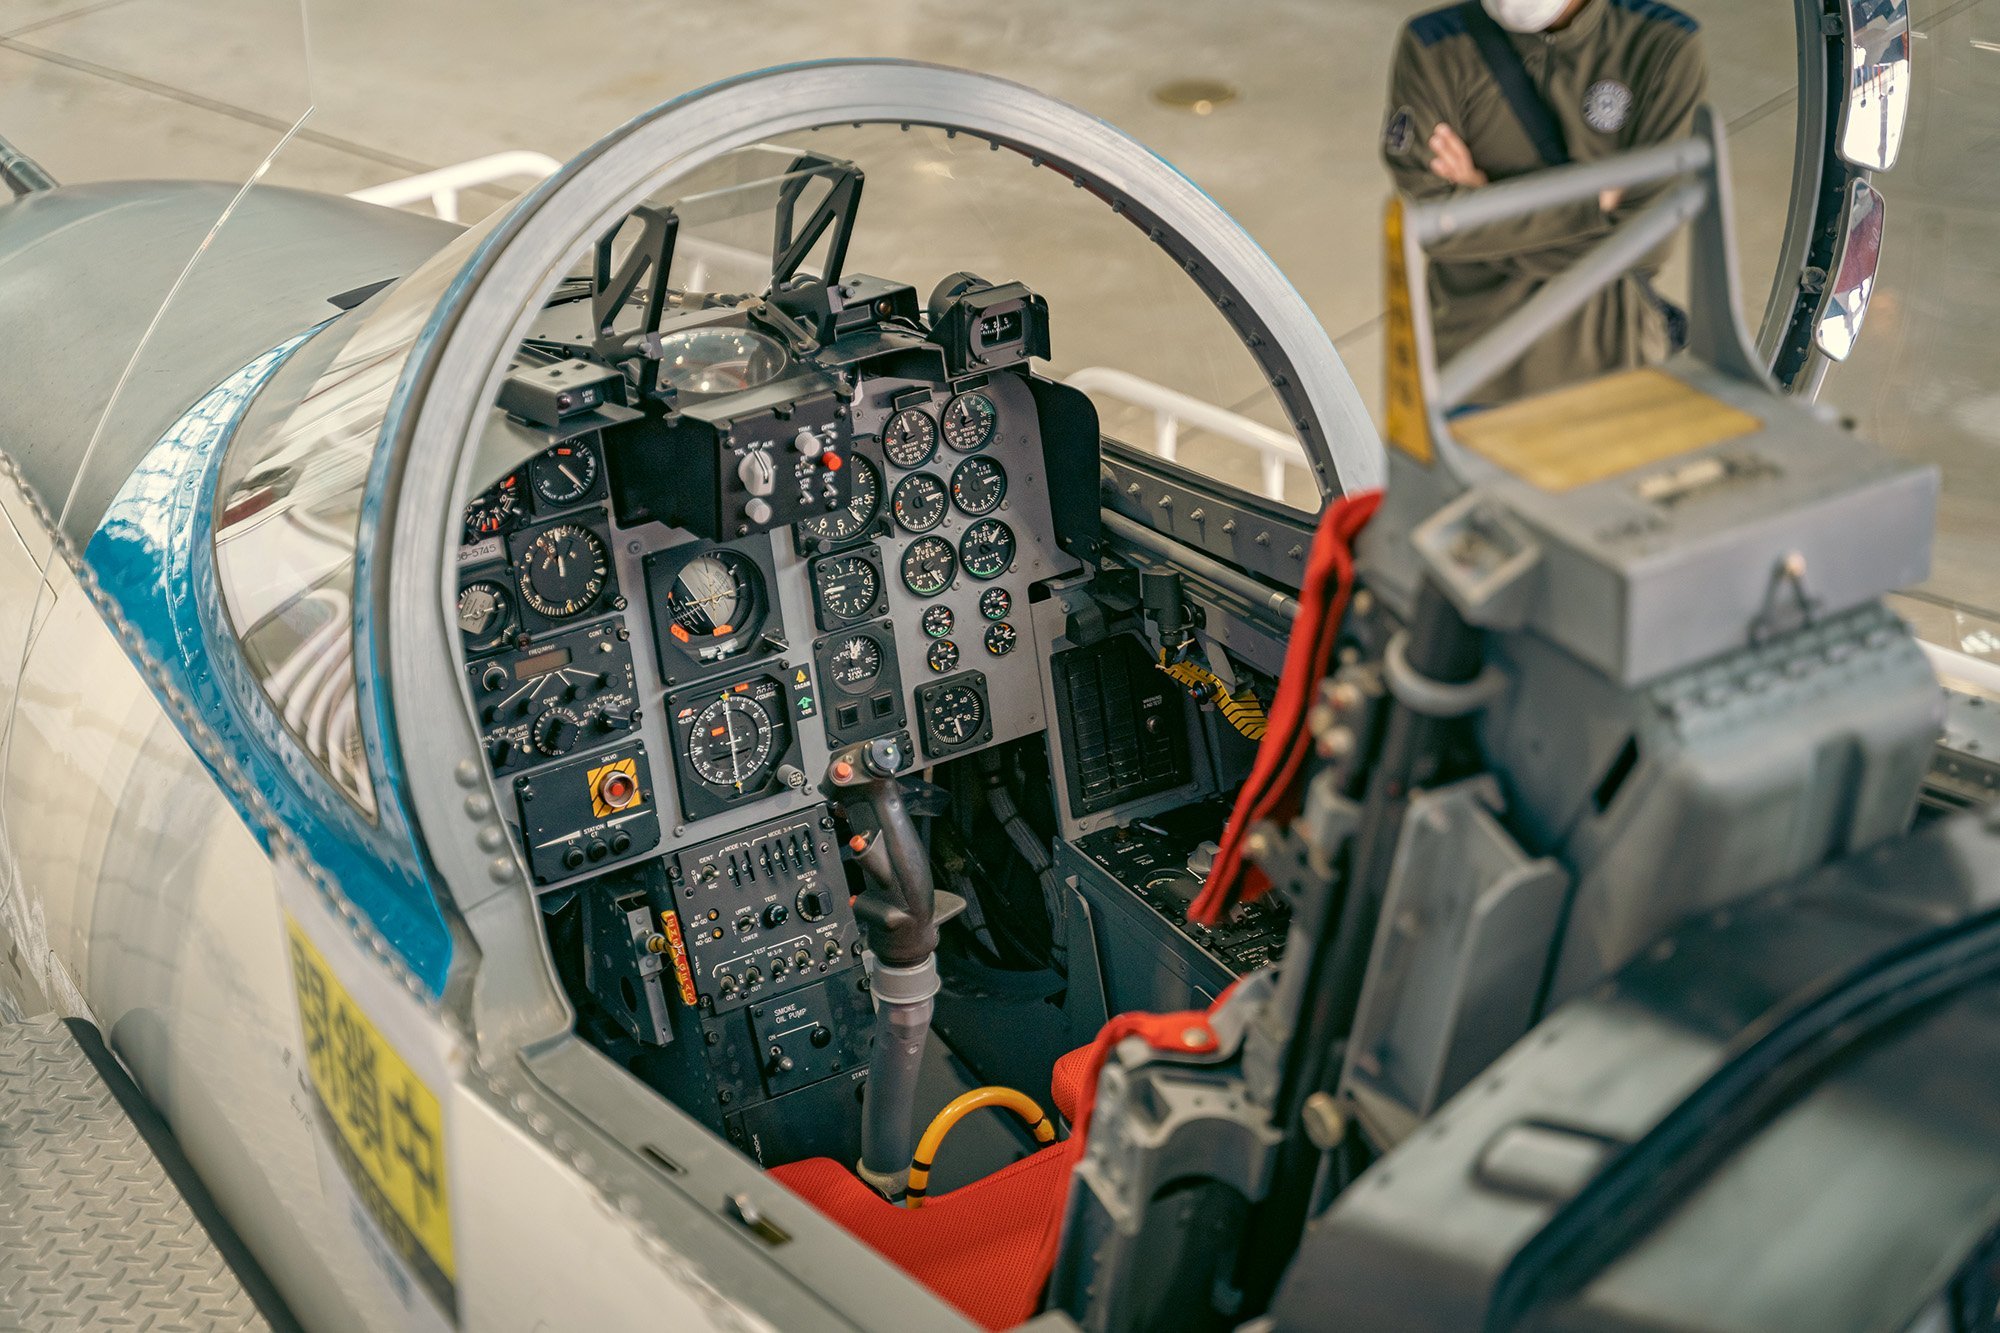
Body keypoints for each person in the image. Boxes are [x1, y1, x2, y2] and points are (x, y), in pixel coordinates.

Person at [1381, 0, 1708, 403]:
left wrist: (1481, 200)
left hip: (1613, 366)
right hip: (1468, 373)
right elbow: (1431, 223)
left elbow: (1649, 244)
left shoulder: (1662, 44)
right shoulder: (1434, 44)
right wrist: (1594, 205)